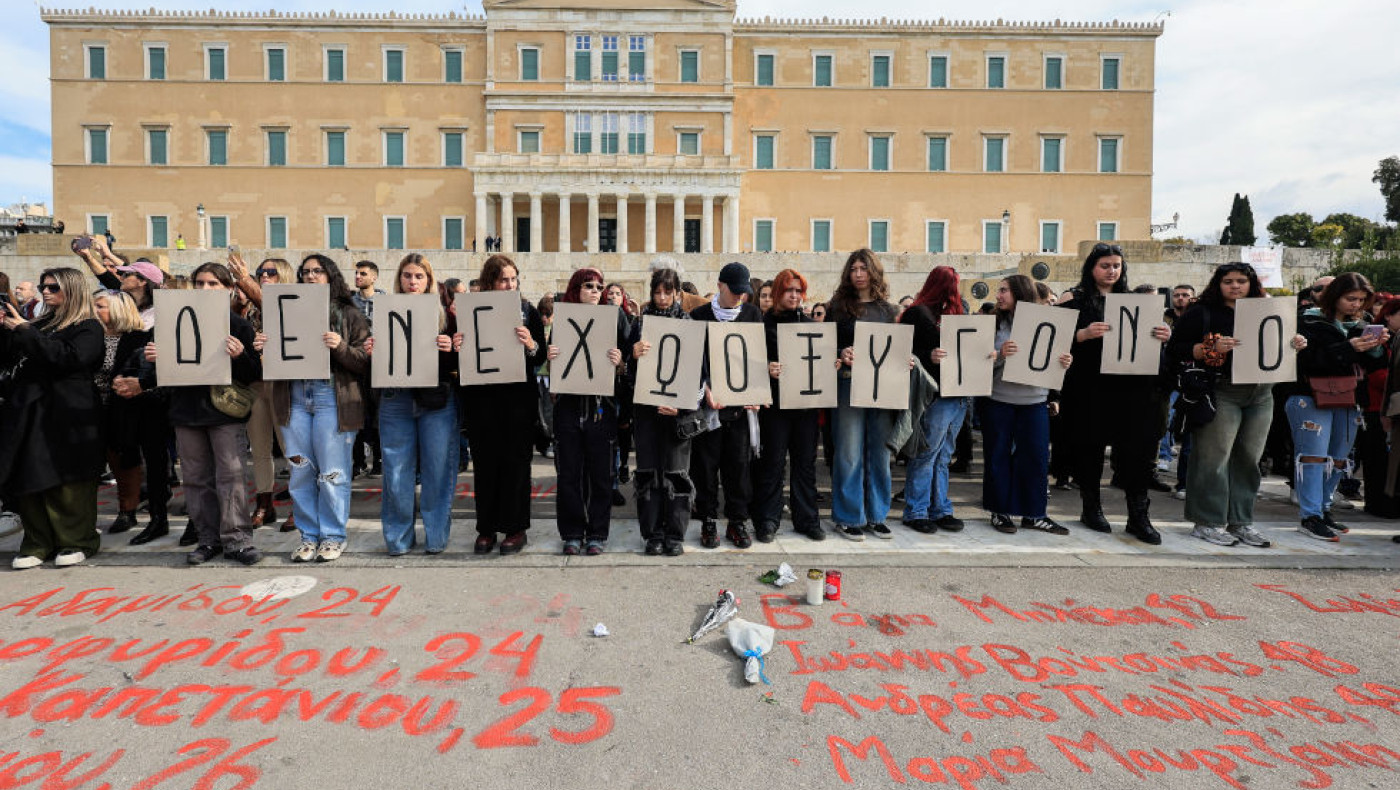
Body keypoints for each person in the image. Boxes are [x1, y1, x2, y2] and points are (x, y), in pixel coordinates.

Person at [1166, 264, 1299, 546]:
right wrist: (1208, 348)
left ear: (1251, 283)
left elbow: (1278, 347)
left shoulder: (1268, 311)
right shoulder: (1201, 312)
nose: (1235, 286)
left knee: (1249, 459)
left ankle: (1240, 521)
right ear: (1218, 283)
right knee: (1214, 457)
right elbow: (1176, 348)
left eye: (1241, 281)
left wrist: (1294, 342)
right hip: (1221, 390)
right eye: (1228, 281)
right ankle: (1208, 521)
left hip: (1263, 391)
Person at [140, 263, 263, 565]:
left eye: (212, 284)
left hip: (225, 412)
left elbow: (253, 375)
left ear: (228, 289)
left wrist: (240, 356)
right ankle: (208, 539)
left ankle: (237, 540)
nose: (205, 289)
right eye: (200, 283)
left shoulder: (238, 325)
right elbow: (161, 372)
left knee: (231, 477)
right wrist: (154, 359)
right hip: (186, 411)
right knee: (195, 479)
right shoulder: (170, 321)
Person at [255, 254, 369, 562]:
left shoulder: (348, 313)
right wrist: (264, 346)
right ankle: (308, 536)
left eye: (317, 271)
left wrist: (340, 346)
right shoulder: (285, 312)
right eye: (305, 272)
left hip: (331, 394)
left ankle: (332, 535)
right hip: (293, 395)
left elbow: (365, 361)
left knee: (332, 471)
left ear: (330, 276)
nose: (310, 276)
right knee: (301, 470)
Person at [1057, 243, 1171, 545]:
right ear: (1092, 267)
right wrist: (1082, 334)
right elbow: (1050, 341)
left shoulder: (1135, 302)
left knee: (1136, 453)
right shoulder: (1076, 300)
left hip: (1132, 389)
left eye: (1116, 266)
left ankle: (1138, 515)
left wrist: (1163, 335)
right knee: (1090, 450)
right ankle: (1091, 508)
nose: (1111, 271)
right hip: (1090, 388)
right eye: (1105, 265)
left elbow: (1149, 341)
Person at [1, 268, 105, 569]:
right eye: (43, 286)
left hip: (69, 411)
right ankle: (38, 542)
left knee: (69, 479)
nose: (46, 291)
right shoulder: (39, 323)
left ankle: (77, 540)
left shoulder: (88, 327)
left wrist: (25, 331)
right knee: (31, 474)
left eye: (53, 287)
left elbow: (68, 359)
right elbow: (9, 358)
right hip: (28, 410)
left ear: (71, 289)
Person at [1287, 272, 1389, 541]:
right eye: (1350, 299)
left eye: (1362, 300)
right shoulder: (1308, 320)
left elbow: (1375, 367)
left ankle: (1323, 509)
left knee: (1339, 459)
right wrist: (1348, 347)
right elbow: (1306, 361)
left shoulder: (1363, 323)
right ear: (1336, 296)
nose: (1356, 305)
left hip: (1351, 398)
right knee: (1313, 457)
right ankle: (1310, 515)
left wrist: (1376, 347)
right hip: (1310, 395)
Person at [372, 253, 460, 556]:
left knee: (438, 470)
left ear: (429, 280)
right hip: (395, 397)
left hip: (436, 398)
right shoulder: (384, 312)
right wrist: (373, 349)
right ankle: (398, 538)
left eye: (419, 276)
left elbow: (459, 363)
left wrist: (449, 349)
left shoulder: (446, 315)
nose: (412, 282)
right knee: (396, 472)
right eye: (407, 276)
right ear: (399, 279)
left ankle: (436, 536)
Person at [462, 254, 546, 555]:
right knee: (485, 466)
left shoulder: (528, 312)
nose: (509, 284)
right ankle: (486, 528)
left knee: (516, 466)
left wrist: (531, 345)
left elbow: (541, 358)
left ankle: (515, 528)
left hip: (517, 401)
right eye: (503, 280)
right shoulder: (470, 311)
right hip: (482, 401)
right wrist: (459, 345)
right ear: (490, 282)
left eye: (513, 279)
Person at [981, 275, 1072, 535]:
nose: (998, 296)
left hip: (1035, 402)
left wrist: (1064, 363)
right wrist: (1000, 356)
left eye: (1004, 291)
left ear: (1020, 293)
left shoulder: (1047, 322)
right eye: (999, 290)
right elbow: (977, 364)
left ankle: (1034, 514)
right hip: (999, 401)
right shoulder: (994, 324)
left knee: (1036, 459)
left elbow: (1052, 360)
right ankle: (1000, 512)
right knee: (998, 458)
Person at [547, 268, 629, 555]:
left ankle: (597, 533)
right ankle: (571, 532)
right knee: (569, 474)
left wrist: (620, 362)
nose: (595, 290)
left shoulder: (615, 317)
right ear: (576, 290)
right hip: (569, 406)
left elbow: (628, 357)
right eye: (588, 286)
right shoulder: (565, 319)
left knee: (600, 476)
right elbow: (553, 364)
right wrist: (551, 357)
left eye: (599, 286)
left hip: (601, 407)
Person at [827, 249, 902, 540]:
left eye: (863, 268)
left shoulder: (889, 310)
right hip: (847, 383)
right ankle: (848, 515)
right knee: (848, 452)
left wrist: (905, 360)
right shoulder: (838, 307)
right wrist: (839, 352)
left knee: (880, 453)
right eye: (854, 268)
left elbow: (895, 349)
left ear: (874, 272)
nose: (858, 273)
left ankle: (877, 515)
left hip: (882, 386)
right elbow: (825, 346)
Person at [688, 262, 764, 548]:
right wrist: (704, 387)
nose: (739, 297)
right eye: (734, 291)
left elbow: (756, 356)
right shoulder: (698, 316)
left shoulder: (753, 314)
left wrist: (757, 391)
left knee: (738, 467)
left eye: (743, 292)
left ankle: (737, 520)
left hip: (740, 407)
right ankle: (708, 520)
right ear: (720, 286)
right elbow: (692, 360)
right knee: (706, 467)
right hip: (710, 407)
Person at [629, 267, 697, 555]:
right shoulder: (640, 324)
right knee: (648, 472)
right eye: (657, 291)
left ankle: (675, 533)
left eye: (667, 292)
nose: (662, 297)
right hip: (646, 411)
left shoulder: (688, 322)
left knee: (676, 474)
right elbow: (627, 376)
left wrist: (680, 406)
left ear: (677, 293)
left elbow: (698, 372)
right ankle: (652, 533)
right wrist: (633, 356)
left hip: (675, 412)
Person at [226, 255, 296, 530]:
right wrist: (237, 301)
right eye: (260, 272)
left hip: (282, 385)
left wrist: (245, 279)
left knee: (291, 449)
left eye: (272, 272)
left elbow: (278, 312)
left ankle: (298, 506)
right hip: (255, 384)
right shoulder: (252, 309)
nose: (264, 276)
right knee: (259, 449)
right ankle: (264, 504)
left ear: (286, 276)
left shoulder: (290, 303)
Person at [755, 268, 825, 541]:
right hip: (775, 407)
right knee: (772, 464)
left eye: (798, 290)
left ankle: (807, 519)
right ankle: (767, 519)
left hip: (805, 407)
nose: (794, 295)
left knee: (805, 465)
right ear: (777, 293)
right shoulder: (762, 325)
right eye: (789, 290)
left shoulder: (812, 326)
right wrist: (765, 369)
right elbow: (748, 364)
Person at [899, 266, 970, 534]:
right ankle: (917, 510)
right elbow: (903, 349)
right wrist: (928, 355)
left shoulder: (956, 314)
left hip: (958, 394)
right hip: (937, 394)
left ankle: (939, 508)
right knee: (928, 454)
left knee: (942, 456)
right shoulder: (919, 313)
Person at [93, 289, 153, 536]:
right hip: (91, 407)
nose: (94, 311)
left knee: (123, 458)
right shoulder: (90, 335)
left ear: (117, 310)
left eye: (100, 307)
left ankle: (127, 510)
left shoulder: (138, 338)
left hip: (126, 407)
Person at [351, 261, 385, 478]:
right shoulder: (349, 302)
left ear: (374, 277)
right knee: (356, 413)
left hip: (379, 364)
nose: (358, 276)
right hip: (356, 363)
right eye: (356, 273)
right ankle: (358, 461)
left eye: (363, 273)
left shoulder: (386, 300)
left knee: (379, 413)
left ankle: (379, 460)